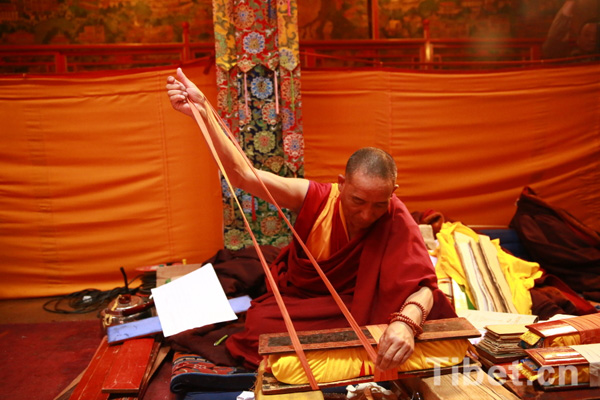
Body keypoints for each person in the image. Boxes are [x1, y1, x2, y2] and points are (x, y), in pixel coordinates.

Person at [165, 68, 456, 372]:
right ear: (341, 183)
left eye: (378, 204)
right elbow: (242, 175)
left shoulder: (395, 215)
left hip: (362, 306)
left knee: (408, 325)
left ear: (393, 194)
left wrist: (407, 324)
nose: (367, 214)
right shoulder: (314, 197)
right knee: (259, 324)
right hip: (314, 304)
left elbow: (425, 287)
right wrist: (203, 113)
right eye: (358, 201)